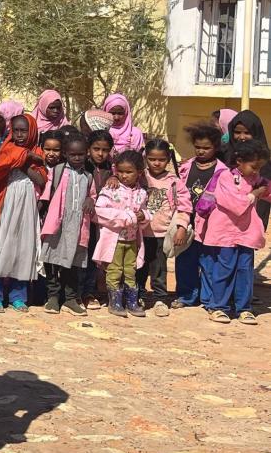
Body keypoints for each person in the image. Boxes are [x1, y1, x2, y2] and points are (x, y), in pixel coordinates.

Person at [0, 114, 46, 312]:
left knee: (22, 247)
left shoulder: (37, 152)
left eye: (24, 131)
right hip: (5, 203)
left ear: (32, 132)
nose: (20, 135)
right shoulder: (6, 148)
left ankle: (18, 296)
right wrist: (24, 157)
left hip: (26, 206)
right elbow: (1, 168)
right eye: (16, 131)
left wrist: (24, 160)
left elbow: (40, 180)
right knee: (0, 245)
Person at [198, 139, 270, 325]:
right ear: (239, 161)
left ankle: (243, 308)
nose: (256, 172)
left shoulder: (256, 179)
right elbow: (235, 205)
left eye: (259, 168)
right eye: (254, 167)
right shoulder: (225, 177)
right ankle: (218, 307)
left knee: (245, 271)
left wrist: (261, 190)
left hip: (246, 233)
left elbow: (268, 191)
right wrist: (254, 194)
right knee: (225, 269)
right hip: (226, 233)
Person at [40, 132, 93, 315]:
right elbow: (45, 196)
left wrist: (91, 199)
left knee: (74, 264)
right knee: (52, 261)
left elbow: (93, 196)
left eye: (80, 154)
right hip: (58, 224)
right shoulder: (57, 171)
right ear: (65, 154)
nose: (77, 158)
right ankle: (53, 297)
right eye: (72, 154)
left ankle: (70, 299)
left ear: (86, 153)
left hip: (78, 227)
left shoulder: (88, 176)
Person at [176, 122, 227, 309]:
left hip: (210, 224)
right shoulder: (186, 167)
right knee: (185, 260)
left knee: (208, 262)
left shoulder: (223, 172)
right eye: (197, 147)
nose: (201, 151)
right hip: (187, 222)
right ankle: (186, 296)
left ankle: (207, 298)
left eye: (206, 148)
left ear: (216, 147)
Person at [94, 150, 149, 317]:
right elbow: (99, 211)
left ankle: (132, 301)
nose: (124, 176)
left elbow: (145, 212)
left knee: (131, 270)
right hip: (115, 240)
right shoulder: (111, 189)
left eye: (129, 172)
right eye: (121, 172)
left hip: (132, 240)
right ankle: (115, 302)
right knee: (115, 270)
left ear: (139, 172)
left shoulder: (142, 193)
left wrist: (144, 216)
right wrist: (127, 217)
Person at [140, 139, 191, 317]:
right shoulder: (140, 177)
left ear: (168, 159)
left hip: (162, 233)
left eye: (161, 159)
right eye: (152, 159)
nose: (156, 163)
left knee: (159, 269)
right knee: (139, 267)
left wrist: (181, 227)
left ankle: (160, 299)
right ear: (146, 158)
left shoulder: (175, 182)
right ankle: (139, 296)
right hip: (139, 233)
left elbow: (184, 206)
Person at [82, 129, 115, 310]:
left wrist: (115, 177)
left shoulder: (112, 169)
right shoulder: (82, 166)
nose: (100, 154)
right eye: (96, 149)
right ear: (89, 149)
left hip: (103, 222)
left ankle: (93, 290)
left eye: (105, 150)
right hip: (84, 219)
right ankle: (83, 292)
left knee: (97, 257)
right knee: (85, 256)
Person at [224, 110, 271, 228]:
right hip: (226, 221)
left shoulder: (265, 161)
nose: (241, 137)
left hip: (252, 222)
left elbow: (265, 196)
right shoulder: (224, 154)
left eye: (247, 132)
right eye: (237, 132)